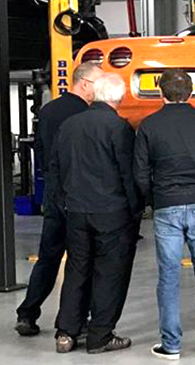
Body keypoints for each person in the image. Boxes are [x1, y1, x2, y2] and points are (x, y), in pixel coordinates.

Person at [134, 69, 195, 359]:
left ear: (160, 92)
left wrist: (153, 200)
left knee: (168, 276)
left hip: (167, 206)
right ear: (191, 93)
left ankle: (171, 345)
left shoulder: (148, 126)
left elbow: (140, 173)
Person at [51, 73, 141, 354]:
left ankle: (66, 332)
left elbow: (55, 167)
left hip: (76, 210)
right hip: (112, 213)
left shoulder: (69, 125)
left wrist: (61, 202)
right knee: (110, 272)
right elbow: (129, 174)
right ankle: (100, 335)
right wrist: (136, 209)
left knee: (77, 269)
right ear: (120, 97)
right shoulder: (119, 128)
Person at [15, 62, 102, 337]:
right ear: (85, 83)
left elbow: (40, 151)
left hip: (55, 190)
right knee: (82, 259)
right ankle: (73, 321)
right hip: (81, 192)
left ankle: (27, 314)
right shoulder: (87, 114)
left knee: (48, 256)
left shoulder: (49, 110)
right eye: (98, 82)